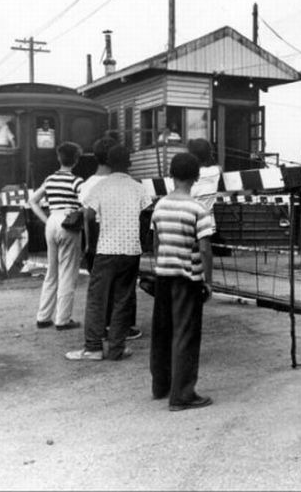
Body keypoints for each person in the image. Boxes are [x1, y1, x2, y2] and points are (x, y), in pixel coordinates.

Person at [66, 145, 151, 361]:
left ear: (109, 163)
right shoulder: (139, 187)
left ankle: (93, 347)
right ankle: (116, 348)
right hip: (131, 250)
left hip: (106, 249)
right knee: (123, 299)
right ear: (129, 163)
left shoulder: (101, 187)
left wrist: (92, 243)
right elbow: (144, 216)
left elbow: (88, 215)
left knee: (97, 298)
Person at [149, 152, 214, 411]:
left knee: (162, 332)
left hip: (163, 275)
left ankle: (161, 386)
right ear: (196, 177)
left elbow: (155, 242)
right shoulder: (199, 209)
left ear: (171, 176)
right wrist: (208, 281)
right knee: (185, 335)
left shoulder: (160, 205)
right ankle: (183, 395)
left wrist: (160, 264)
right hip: (187, 279)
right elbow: (205, 249)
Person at [79, 136, 142, 340]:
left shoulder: (89, 185)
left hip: (99, 243)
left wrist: (89, 245)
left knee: (98, 293)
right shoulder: (132, 184)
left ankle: (96, 340)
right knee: (123, 293)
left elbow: (87, 216)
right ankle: (120, 336)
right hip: (128, 244)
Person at [29, 142, 84, 331]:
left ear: (59, 158)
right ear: (76, 160)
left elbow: (32, 201)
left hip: (52, 220)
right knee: (68, 271)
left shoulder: (50, 179)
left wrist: (46, 220)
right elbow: (86, 203)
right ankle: (63, 319)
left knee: (52, 271)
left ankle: (43, 317)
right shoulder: (77, 181)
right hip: (69, 222)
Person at [187, 138, 222, 233]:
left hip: (188, 224)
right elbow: (219, 168)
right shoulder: (214, 172)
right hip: (207, 225)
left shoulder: (186, 174)